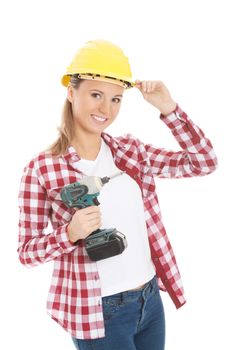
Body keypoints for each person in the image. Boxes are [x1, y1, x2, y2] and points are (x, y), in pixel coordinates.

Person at [17, 39, 218, 350]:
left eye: (116, 99)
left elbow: (203, 163)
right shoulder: (43, 169)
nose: (106, 109)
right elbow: (27, 252)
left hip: (149, 300)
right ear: (71, 92)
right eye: (96, 95)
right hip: (99, 311)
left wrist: (170, 110)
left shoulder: (131, 151)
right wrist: (69, 234)